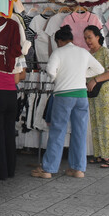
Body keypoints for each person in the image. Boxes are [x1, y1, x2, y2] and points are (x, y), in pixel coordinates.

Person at [32, 25, 104, 179]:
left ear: (59, 41)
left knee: (58, 132)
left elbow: (51, 71)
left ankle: (48, 169)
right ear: (71, 39)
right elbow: (99, 69)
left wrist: (59, 77)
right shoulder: (83, 52)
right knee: (80, 132)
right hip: (81, 95)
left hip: (64, 95)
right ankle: (78, 169)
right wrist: (81, 74)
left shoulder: (58, 52)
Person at [83, 26, 109, 168]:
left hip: (104, 92)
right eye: (85, 38)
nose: (87, 41)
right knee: (96, 122)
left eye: (90, 37)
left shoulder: (105, 52)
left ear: (98, 37)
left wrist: (96, 80)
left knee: (108, 123)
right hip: (92, 93)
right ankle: (100, 155)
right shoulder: (87, 54)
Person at [0, 68, 25, 180]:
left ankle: (1, 172)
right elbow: (17, 79)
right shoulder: (13, 52)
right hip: (11, 93)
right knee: (10, 133)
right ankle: (11, 170)